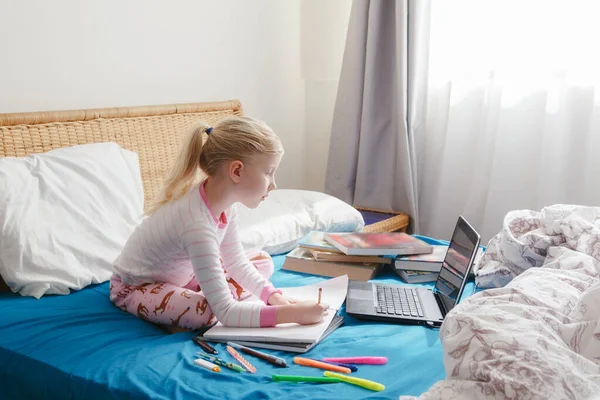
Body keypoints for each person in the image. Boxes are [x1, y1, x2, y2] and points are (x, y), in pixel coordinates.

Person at [109, 116, 328, 330]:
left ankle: (198, 295)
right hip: (136, 287)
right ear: (236, 171)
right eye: (269, 173)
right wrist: (293, 315)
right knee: (207, 311)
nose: (273, 185)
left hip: (184, 275)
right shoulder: (196, 224)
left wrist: (275, 297)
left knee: (262, 261)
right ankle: (192, 300)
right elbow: (226, 312)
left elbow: (235, 261)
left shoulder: (224, 205)